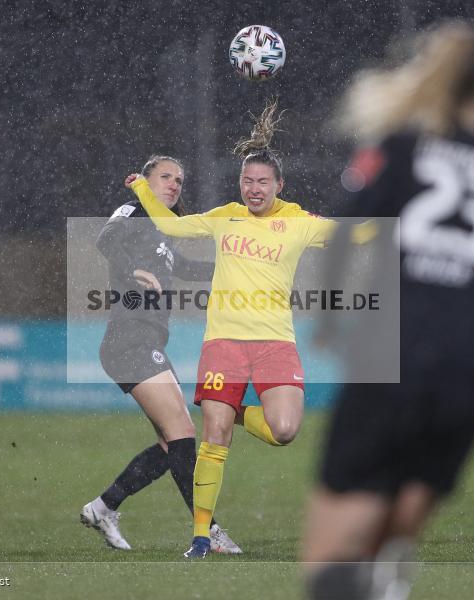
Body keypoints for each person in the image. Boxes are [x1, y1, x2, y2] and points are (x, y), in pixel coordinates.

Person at [301, 20, 474, 600]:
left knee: (330, 560)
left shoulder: (399, 151)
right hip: (467, 375)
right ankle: (387, 580)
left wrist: (328, 320)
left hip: (393, 354)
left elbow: (343, 235)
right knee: (394, 535)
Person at [125, 101, 376, 558]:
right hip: (223, 343)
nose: (254, 188)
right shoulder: (226, 216)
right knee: (213, 436)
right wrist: (144, 189)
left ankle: (228, 407)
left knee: (284, 429)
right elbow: (173, 226)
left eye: (262, 181)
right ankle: (201, 538)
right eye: (247, 181)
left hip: (276, 344)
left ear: (279, 185)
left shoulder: (298, 222)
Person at [79, 155, 241, 555]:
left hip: (146, 342)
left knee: (174, 446)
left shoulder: (163, 231)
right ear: (145, 182)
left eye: (180, 180)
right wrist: (133, 269)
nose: (174, 184)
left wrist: (232, 266)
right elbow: (105, 239)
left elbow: (182, 265)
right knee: (184, 437)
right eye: (165, 177)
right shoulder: (135, 210)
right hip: (129, 341)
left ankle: (104, 507)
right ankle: (210, 533)